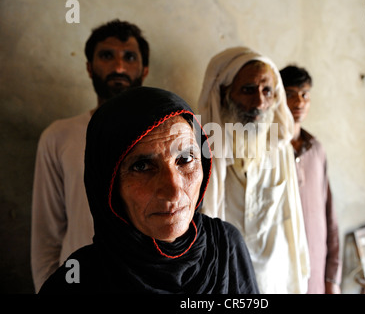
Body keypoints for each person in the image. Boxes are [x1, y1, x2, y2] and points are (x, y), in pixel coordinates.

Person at [38, 86, 259, 294]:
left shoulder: (225, 245)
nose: (174, 191)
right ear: (109, 185)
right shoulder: (79, 279)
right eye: (142, 166)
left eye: (186, 159)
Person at [31, 19, 150, 292]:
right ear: (89, 67)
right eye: (107, 56)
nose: (118, 67)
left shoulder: (166, 139)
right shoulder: (58, 136)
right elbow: (46, 235)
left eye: (129, 57)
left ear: (144, 70)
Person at [197, 46, 310, 294]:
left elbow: (292, 223)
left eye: (267, 91)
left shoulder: (279, 148)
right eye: (248, 90)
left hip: (274, 282)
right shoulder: (199, 151)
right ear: (224, 93)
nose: (259, 102)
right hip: (222, 283)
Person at [279, 65, 341, 294]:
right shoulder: (267, 150)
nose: (299, 101)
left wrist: (333, 278)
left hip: (316, 272)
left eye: (305, 95)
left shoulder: (316, 150)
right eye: (290, 94)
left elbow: (330, 214)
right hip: (280, 274)